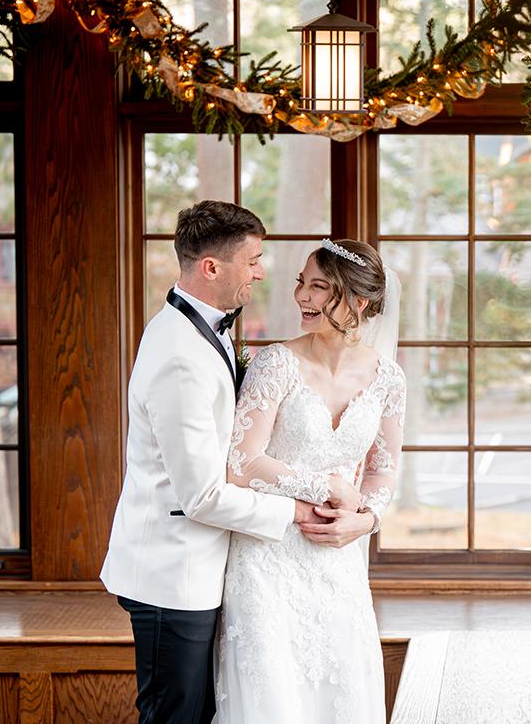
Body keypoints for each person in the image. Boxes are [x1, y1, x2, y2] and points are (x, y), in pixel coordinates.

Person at [101, 200, 327, 723]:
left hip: (198, 567)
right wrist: (295, 511)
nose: (260, 272)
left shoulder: (200, 329)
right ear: (211, 267)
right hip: (173, 573)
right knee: (176, 717)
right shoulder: (180, 354)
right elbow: (201, 496)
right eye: (252, 261)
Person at [213, 237, 405, 724]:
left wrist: (367, 521)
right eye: (302, 283)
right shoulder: (275, 363)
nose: (302, 295)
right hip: (267, 560)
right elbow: (241, 463)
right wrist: (327, 489)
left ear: (358, 301)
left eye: (318, 287)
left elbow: (383, 469)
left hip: (339, 563)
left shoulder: (388, 378)